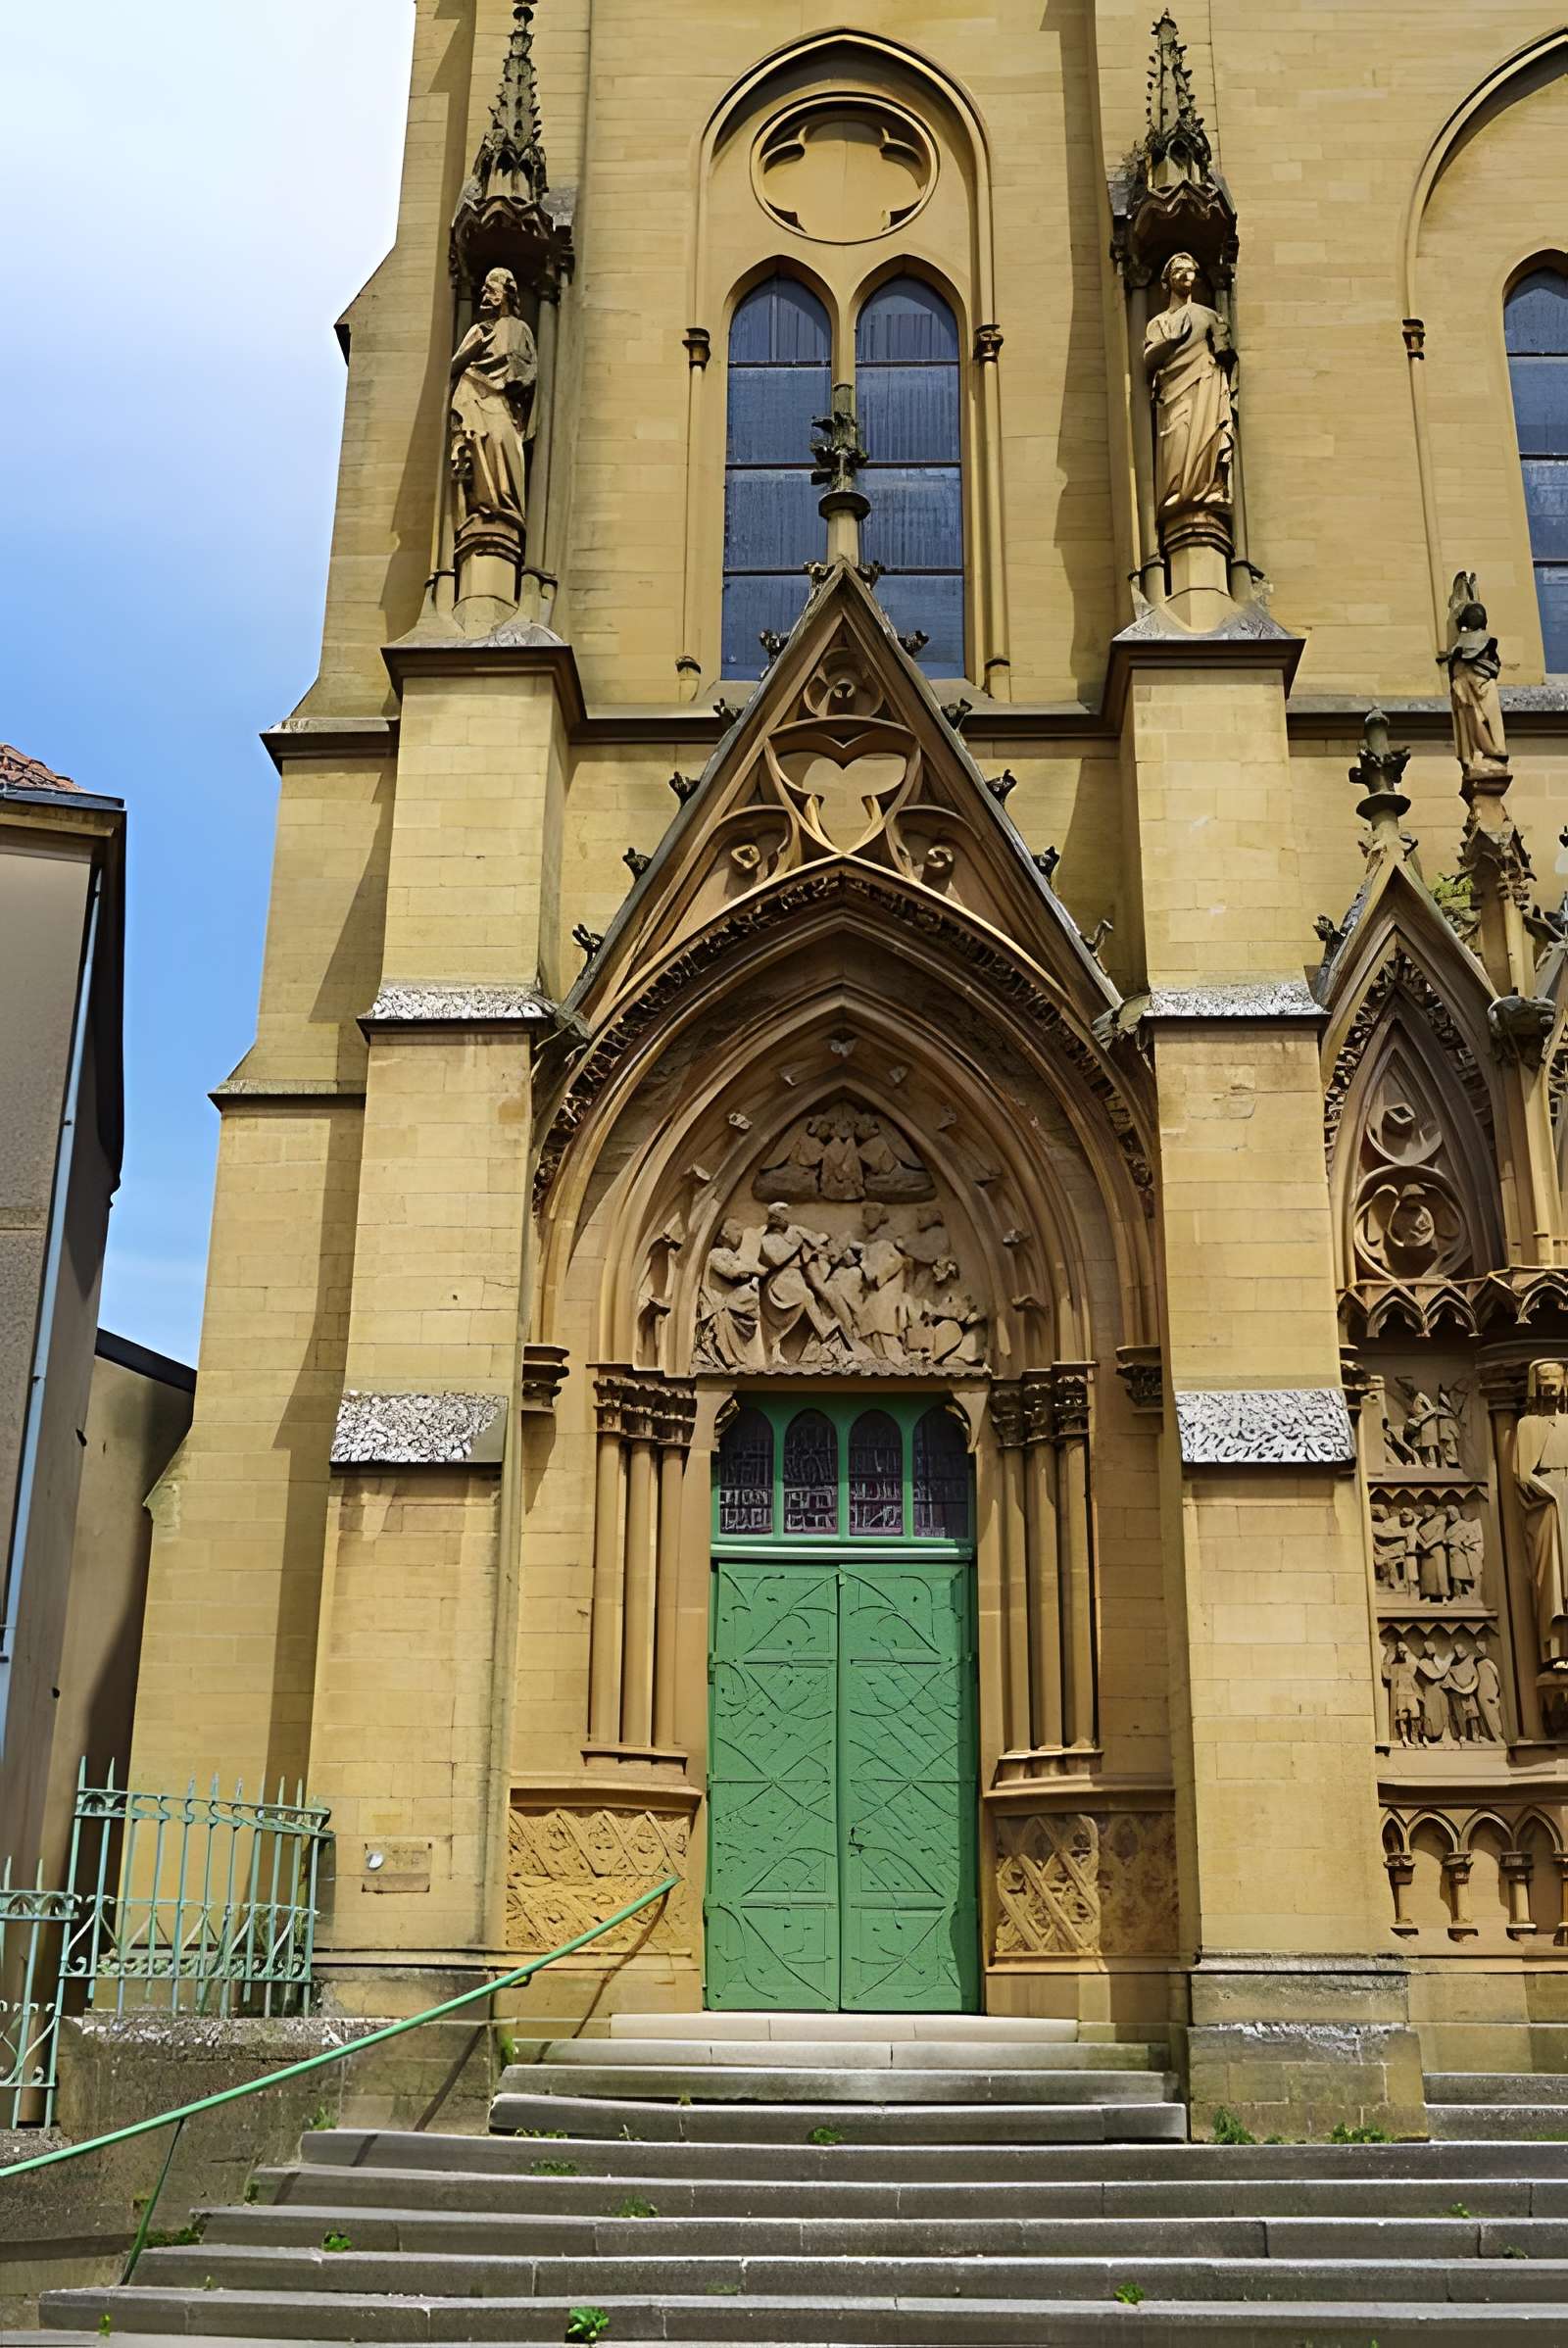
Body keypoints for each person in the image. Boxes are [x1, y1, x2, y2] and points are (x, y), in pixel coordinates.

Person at [1143, 251, 1235, 525]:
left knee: (1207, 433)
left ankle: (1212, 488)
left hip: (1206, 383)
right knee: (1178, 437)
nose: (1185, 275)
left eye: (1189, 270)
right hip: (1174, 391)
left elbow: (1224, 351)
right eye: (1178, 271)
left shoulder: (1207, 315)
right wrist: (1171, 344)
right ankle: (1177, 493)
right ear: (1168, 281)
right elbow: (1149, 358)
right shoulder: (1158, 323)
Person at [450, 267, 537, 528]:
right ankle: (484, 507)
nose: (485, 294)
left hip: (505, 402)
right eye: (484, 289)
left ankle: (506, 507)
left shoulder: (521, 328)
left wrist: (516, 379)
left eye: (491, 288)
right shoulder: (479, 329)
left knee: (503, 441)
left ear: (506, 291)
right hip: (475, 393)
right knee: (482, 444)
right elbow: (453, 367)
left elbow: (530, 368)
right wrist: (476, 345)